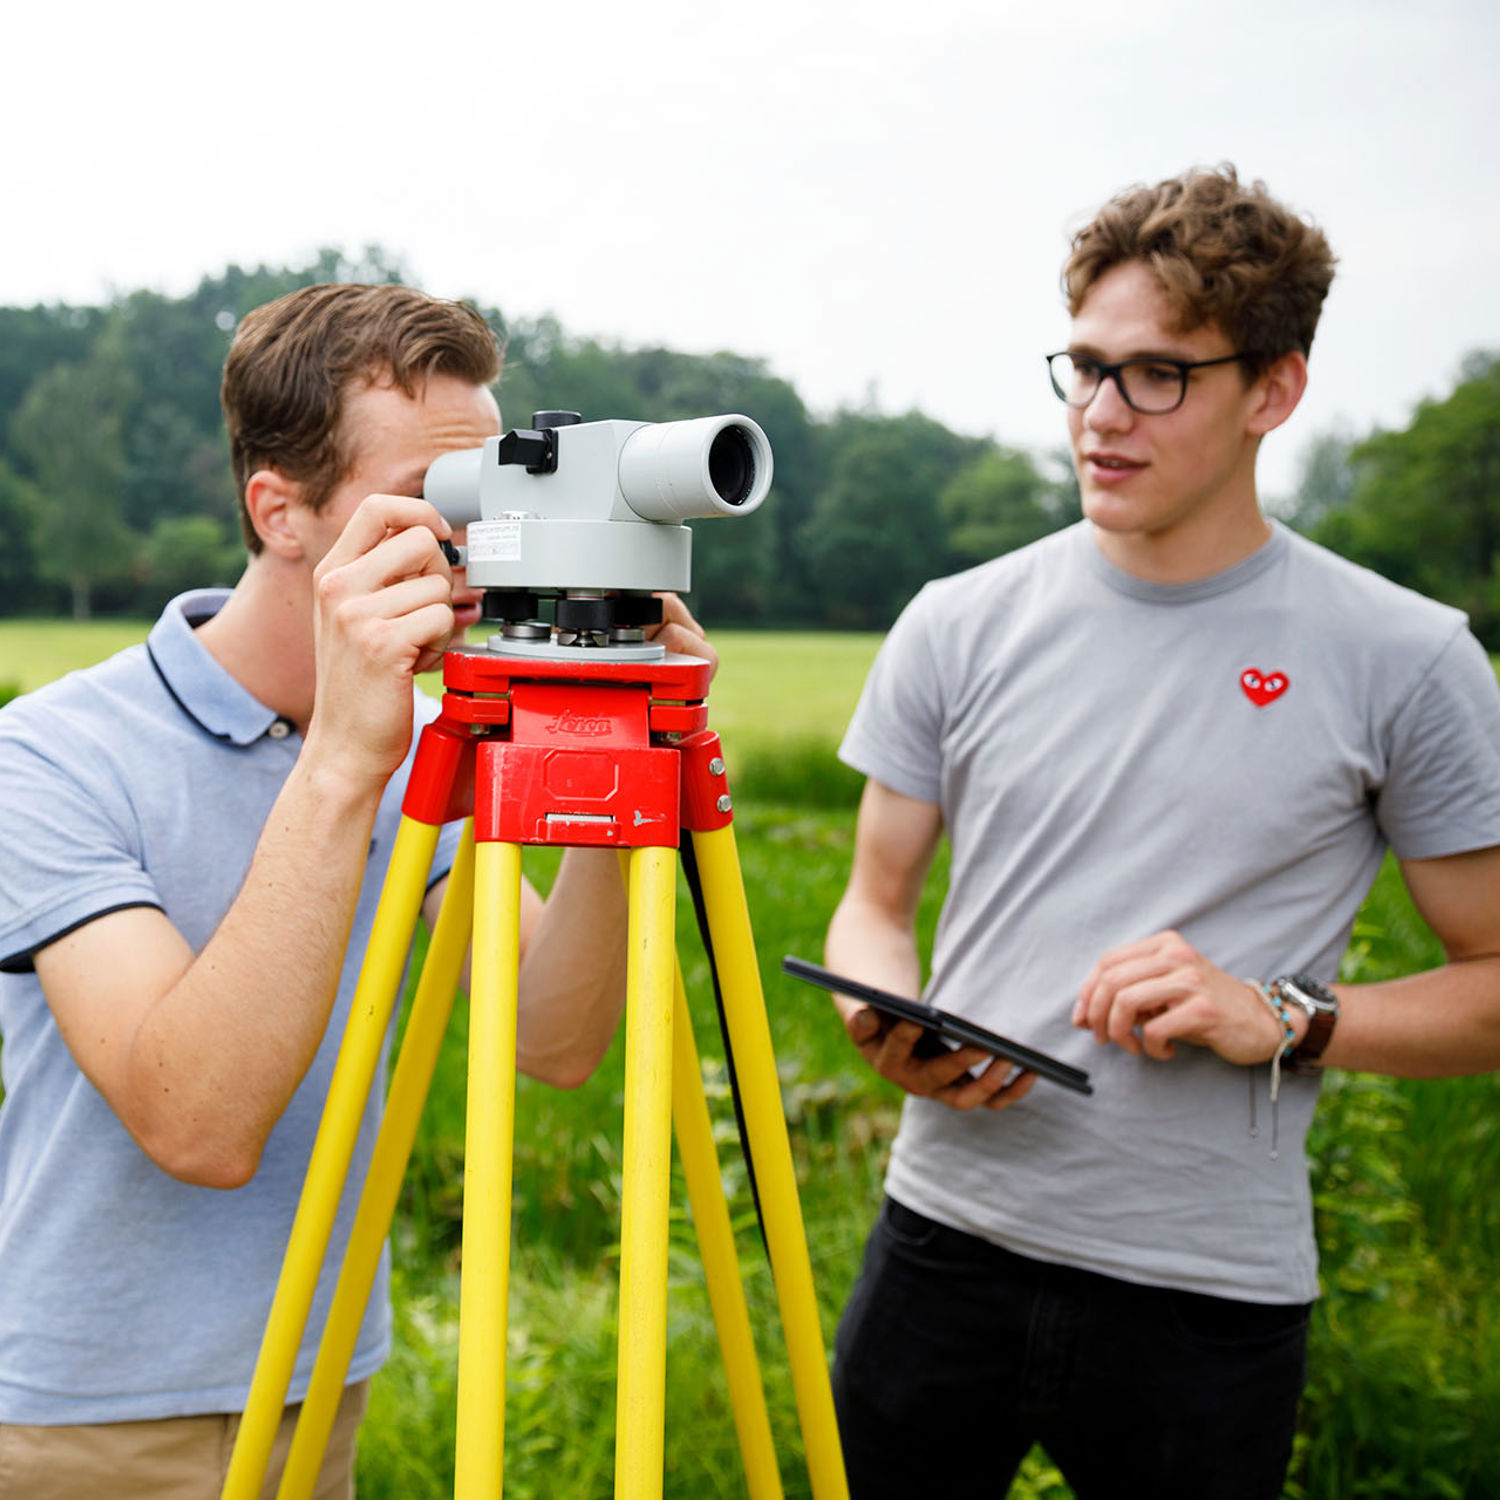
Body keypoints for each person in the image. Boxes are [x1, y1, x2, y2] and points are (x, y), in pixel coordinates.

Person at [823, 165, 1500, 1499]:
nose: (1100, 416)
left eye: (1157, 376)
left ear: (1275, 390)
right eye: (1083, 367)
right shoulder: (956, 620)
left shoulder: (1407, 659)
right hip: (941, 1244)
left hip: (1206, 1301)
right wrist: (885, 1014)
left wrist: (1289, 1016)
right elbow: (874, 903)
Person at [0, 283, 715, 1498]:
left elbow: (550, 1038)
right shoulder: (51, 758)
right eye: (446, 504)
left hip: (322, 1383)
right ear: (280, 510)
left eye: (501, 493)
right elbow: (200, 1124)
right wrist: (340, 761)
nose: (480, 546)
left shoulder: (416, 743)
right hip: (84, 1417)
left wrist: (623, 765)